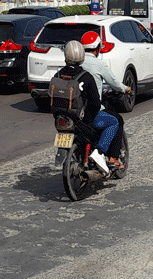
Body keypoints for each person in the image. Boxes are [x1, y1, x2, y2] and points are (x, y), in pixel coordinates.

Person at [52, 40, 122, 174]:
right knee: (114, 121)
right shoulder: (86, 77)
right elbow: (95, 103)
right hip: (83, 121)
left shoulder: (57, 76)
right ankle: (100, 152)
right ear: (82, 56)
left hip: (62, 119)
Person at [80, 31, 132, 100]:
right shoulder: (99, 64)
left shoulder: (76, 62)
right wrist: (125, 88)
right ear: (97, 47)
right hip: (93, 107)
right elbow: (113, 82)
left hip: (75, 105)